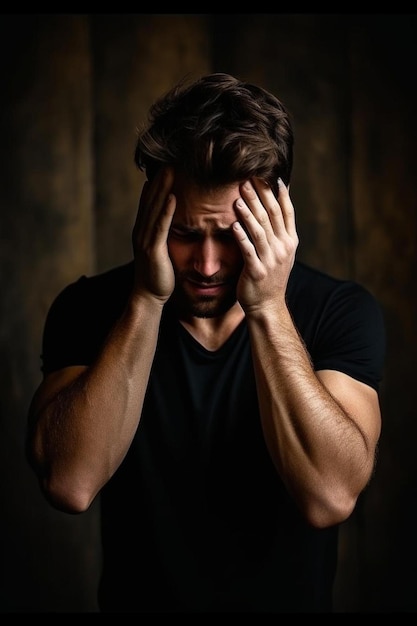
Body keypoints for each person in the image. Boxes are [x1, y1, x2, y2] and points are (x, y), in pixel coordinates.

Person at [26, 72, 385, 613]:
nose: (208, 264)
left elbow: (330, 495)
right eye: (186, 234)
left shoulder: (338, 312)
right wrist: (146, 298)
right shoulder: (89, 309)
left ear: (277, 219)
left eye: (234, 235)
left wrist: (267, 308)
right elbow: (69, 484)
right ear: (152, 209)